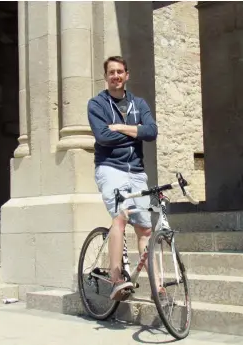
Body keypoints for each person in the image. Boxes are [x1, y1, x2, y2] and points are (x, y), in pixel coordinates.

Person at [87, 56, 158, 301]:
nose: (116, 76)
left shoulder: (139, 103)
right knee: (120, 217)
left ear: (127, 75)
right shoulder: (96, 104)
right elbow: (103, 137)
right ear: (105, 76)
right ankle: (116, 279)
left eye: (120, 72)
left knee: (145, 230)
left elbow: (152, 131)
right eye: (111, 72)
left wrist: (119, 127)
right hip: (110, 167)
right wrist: (136, 132)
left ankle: (157, 287)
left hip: (137, 171)